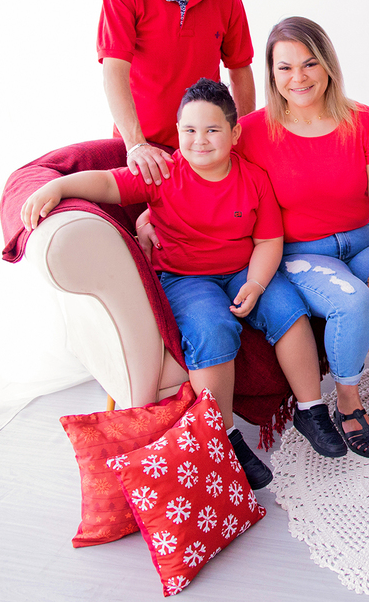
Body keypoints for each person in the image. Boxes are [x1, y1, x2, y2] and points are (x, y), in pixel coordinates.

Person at [21, 79, 346, 489]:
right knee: (211, 331)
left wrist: (259, 283)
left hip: (243, 269)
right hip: (185, 277)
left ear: (234, 133)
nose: (200, 141)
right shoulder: (164, 172)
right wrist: (58, 186)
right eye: (189, 131)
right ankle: (223, 437)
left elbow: (268, 241)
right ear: (178, 133)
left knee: (290, 312)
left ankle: (310, 409)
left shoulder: (254, 178)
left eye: (212, 130)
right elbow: (106, 185)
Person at [240, 17, 369, 458]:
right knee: (351, 304)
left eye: (310, 64)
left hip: (362, 240)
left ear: (328, 66)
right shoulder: (253, 131)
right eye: (285, 68)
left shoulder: (363, 121)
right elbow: (200, 162)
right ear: (271, 74)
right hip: (302, 253)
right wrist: (151, 212)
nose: (299, 78)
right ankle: (347, 406)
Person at [98, 0, 256, 186]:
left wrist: (241, 141)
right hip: (144, 152)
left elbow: (240, 70)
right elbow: (114, 72)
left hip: (203, 150)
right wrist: (136, 144)